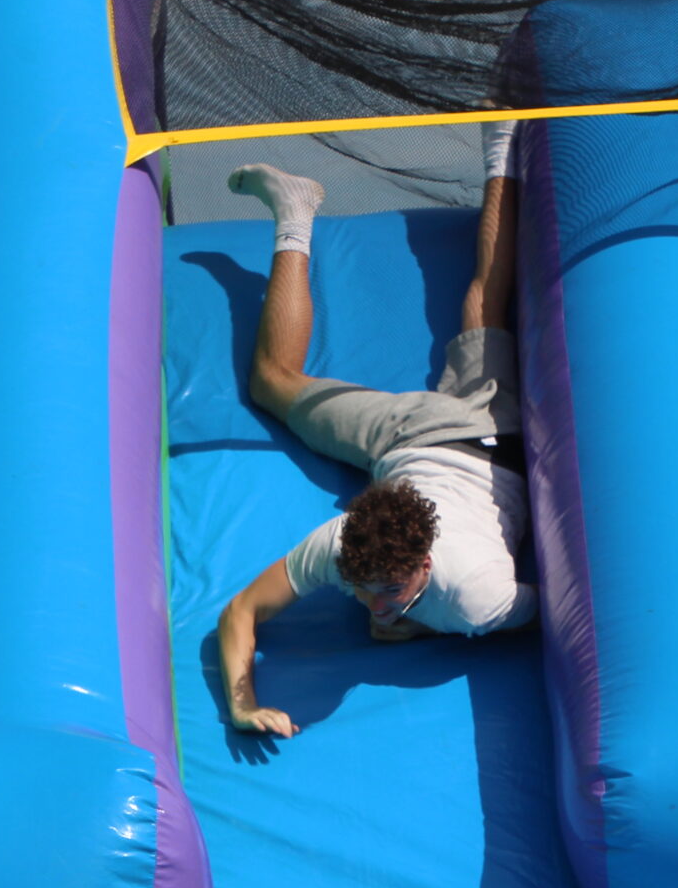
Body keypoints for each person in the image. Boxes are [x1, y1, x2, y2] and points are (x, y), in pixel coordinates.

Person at [215, 133, 536, 739]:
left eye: (388, 588)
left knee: (486, 303)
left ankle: (502, 148)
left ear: (424, 562)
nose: (374, 603)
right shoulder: (343, 546)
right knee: (273, 383)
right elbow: (240, 613)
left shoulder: (475, 595)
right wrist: (241, 703)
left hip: (459, 438)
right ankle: (295, 210)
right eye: (363, 591)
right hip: (434, 438)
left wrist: (415, 623)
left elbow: (551, 611)